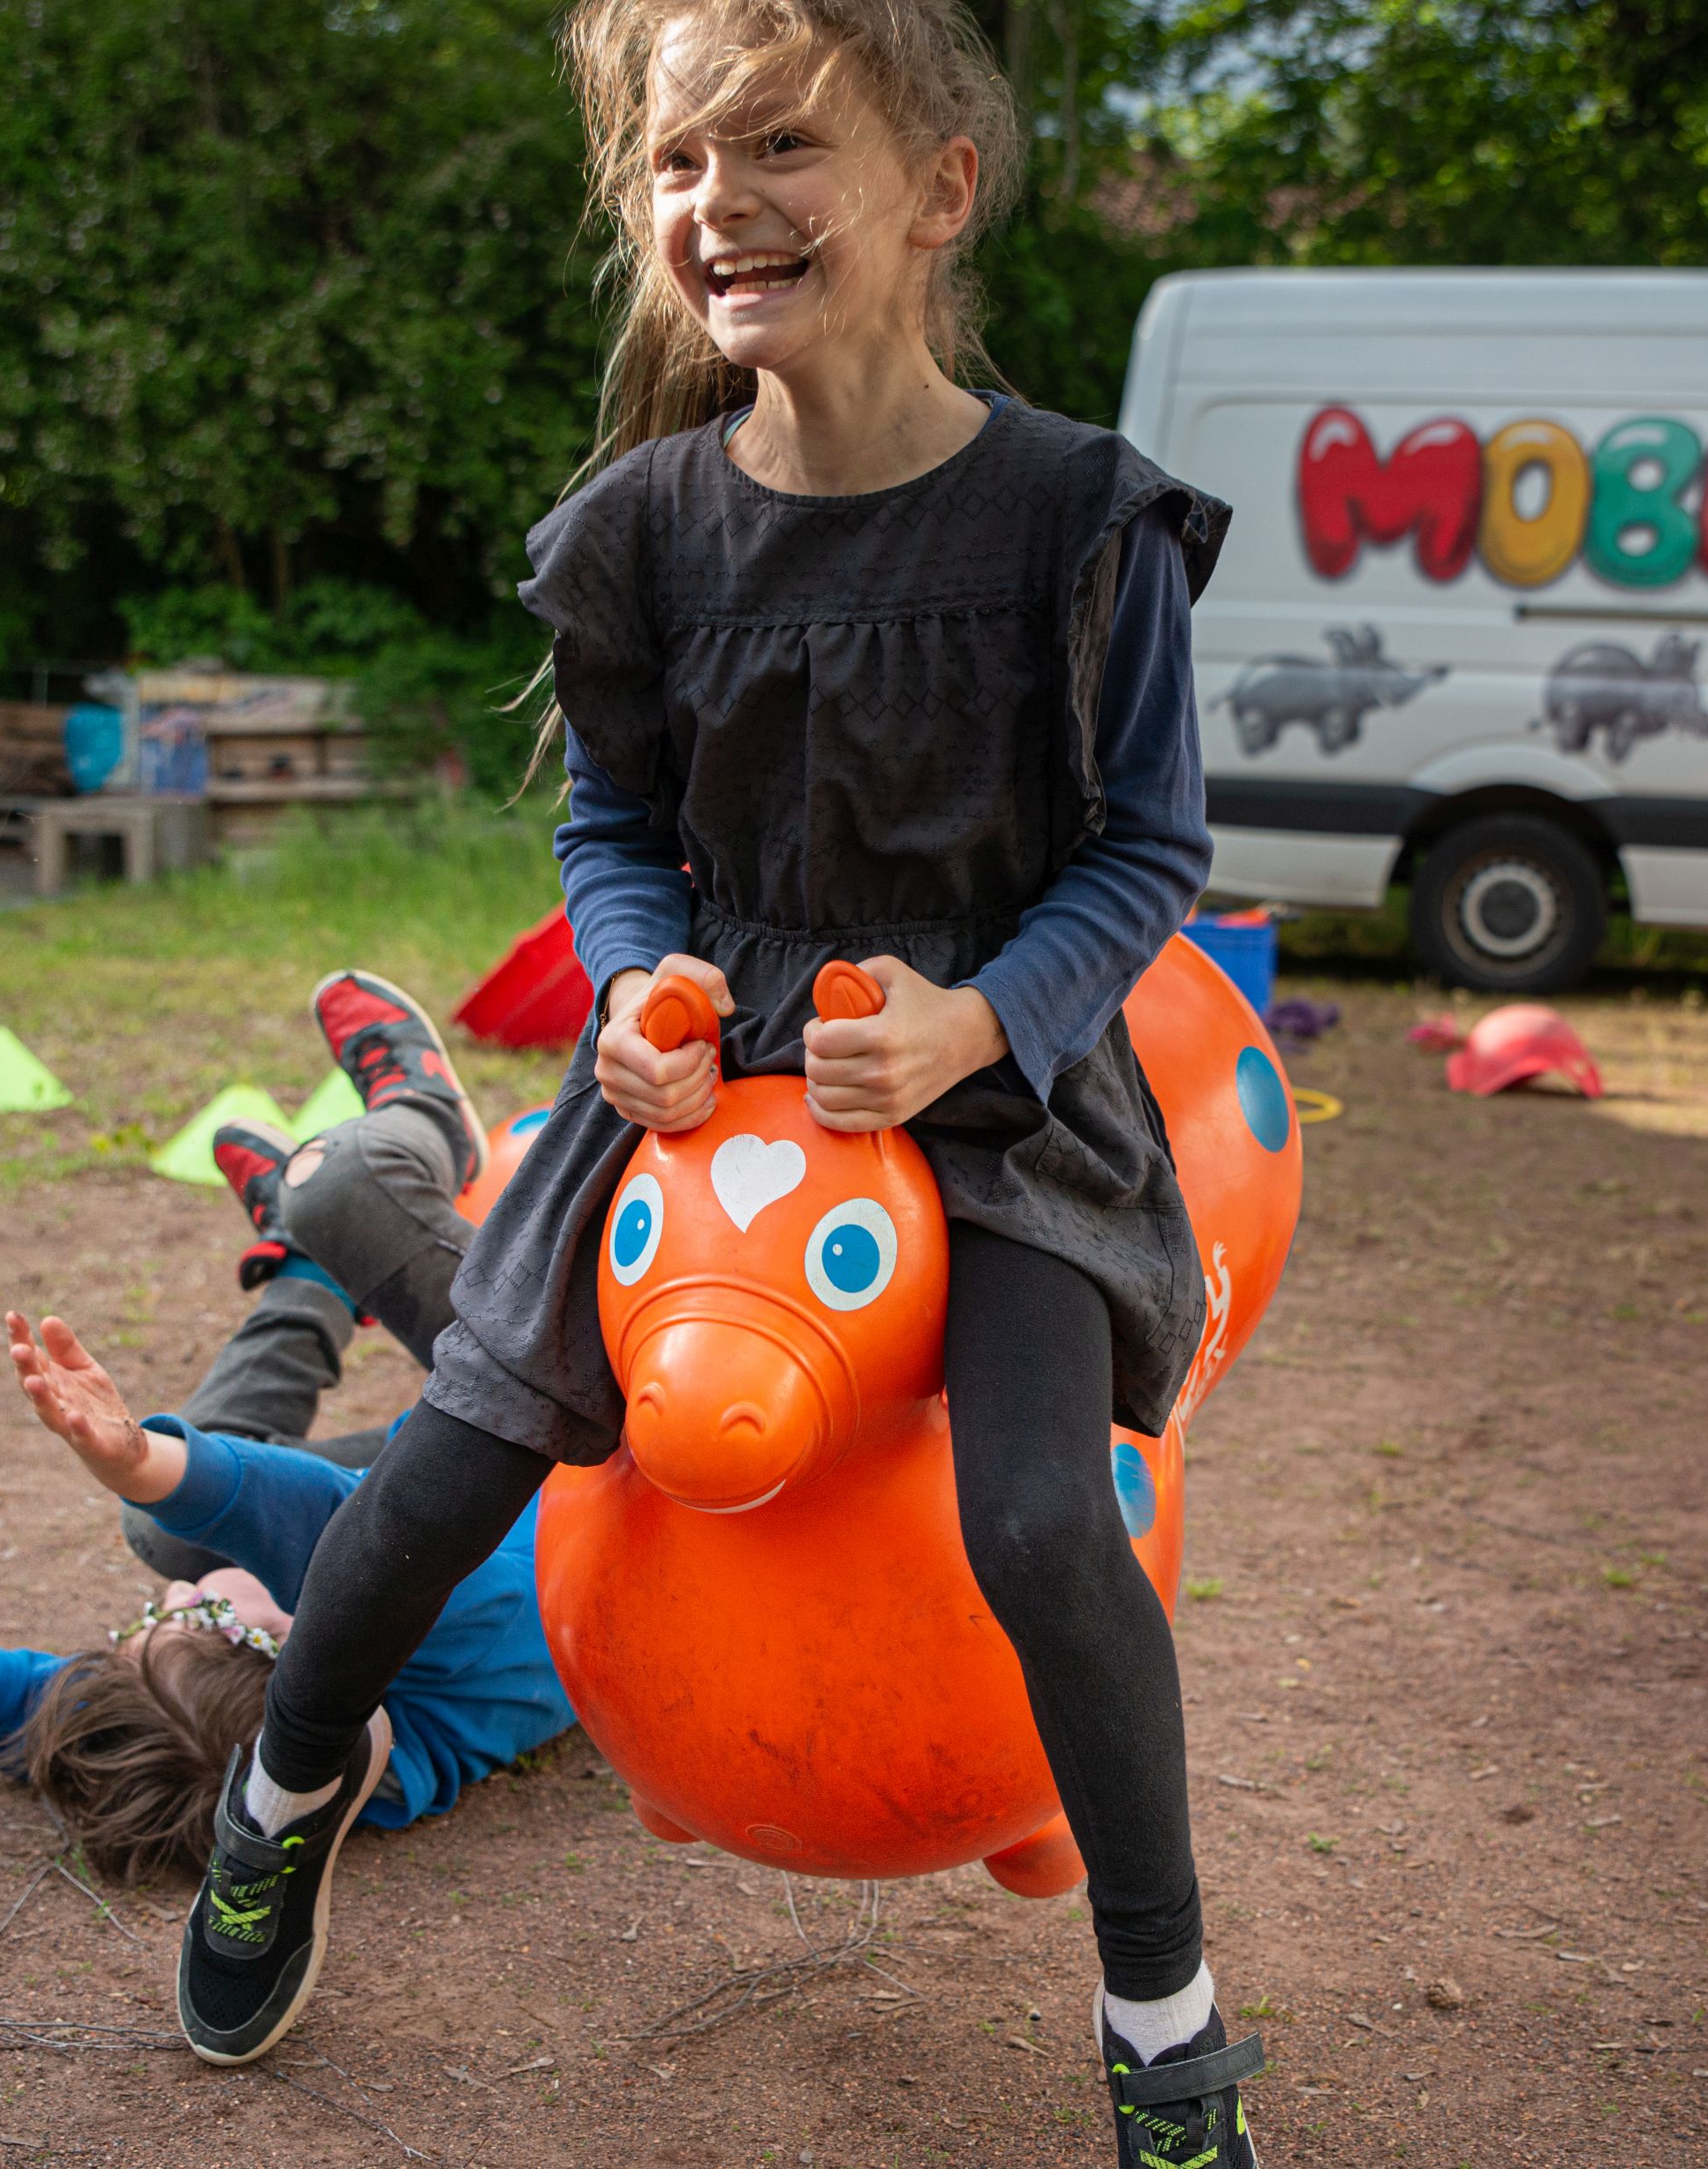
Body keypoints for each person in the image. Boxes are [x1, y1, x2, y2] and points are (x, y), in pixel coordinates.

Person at [178, 2, 1262, 2157]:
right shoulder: (641, 531)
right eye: (678, 164)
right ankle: (278, 1790)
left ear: (940, 184)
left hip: (992, 1089)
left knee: (1045, 1523)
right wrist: (634, 980)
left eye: (776, 143)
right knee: (435, 1485)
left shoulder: (1080, 518)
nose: (715, 204)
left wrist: (980, 1020)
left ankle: (1164, 2016)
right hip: (692, 1080)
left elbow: (1147, 851)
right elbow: (612, 836)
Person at [0, 971, 572, 1882]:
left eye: (142, 1624)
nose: (175, 1599)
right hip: (560, 1435)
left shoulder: (276, 1775)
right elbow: (312, 1521)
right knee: (337, 1190)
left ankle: (304, 1276)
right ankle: (420, 1117)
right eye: (208, 1616)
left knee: (166, 1533)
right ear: (314, 1679)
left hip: (440, 1485)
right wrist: (147, 1467)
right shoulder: (462, 1628)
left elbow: (15, 1710)